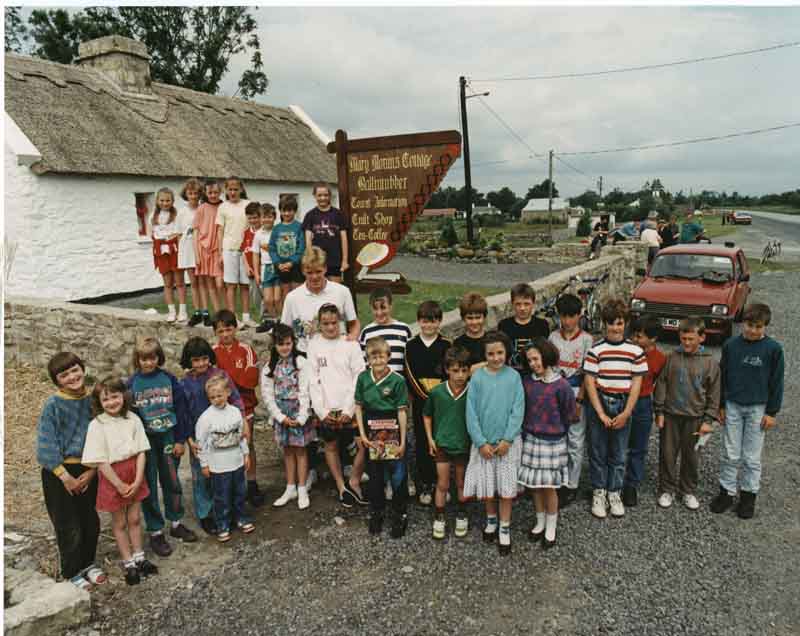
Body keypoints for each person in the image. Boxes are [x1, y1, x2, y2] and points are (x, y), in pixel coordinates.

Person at [36, 352, 105, 590]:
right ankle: (72, 570)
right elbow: (46, 445)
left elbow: (103, 436)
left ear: (82, 369)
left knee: (89, 520)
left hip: (88, 466)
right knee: (67, 524)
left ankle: (88, 563)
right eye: (64, 375)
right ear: (57, 381)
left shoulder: (94, 399)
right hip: (59, 472)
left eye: (75, 370)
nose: (72, 377)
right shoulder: (53, 405)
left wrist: (93, 471)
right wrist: (65, 477)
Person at [82, 376, 158, 585]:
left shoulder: (133, 419)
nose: (112, 402)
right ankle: (128, 562)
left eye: (115, 397)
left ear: (123, 396)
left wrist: (138, 478)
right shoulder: (97, 425)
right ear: (99, 402)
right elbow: (100, 460)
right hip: (113, 476)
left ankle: (139, 557)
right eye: (105, 399)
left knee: (134, 518)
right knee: (120, 522)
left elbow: (142, 451)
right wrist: (119, 484)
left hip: (134, 473)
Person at [711, 303, 784, 519]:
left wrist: (772, 412)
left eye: (758, 327)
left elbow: (777, 382)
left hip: (757, 408)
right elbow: (722, 376)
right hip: (733, 404)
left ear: (765, 326)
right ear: (743, 323)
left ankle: (748, 495)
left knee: (752, 456)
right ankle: (726, 492)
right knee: (731, 451)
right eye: (749, 325)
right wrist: (721, 405)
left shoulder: (773, 349)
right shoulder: (731, 345)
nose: (752, 330)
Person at [128, 337, 197, 557]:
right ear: (137, 360)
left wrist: (180, 440)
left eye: (152, 358)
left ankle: (176, 522)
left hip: (168, 437)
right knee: (147, 485)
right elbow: (129, 416)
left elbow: (182, 409)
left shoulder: (169, 380)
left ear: (159, 358)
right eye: (143, 359)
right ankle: (155, 530)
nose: (148, 363)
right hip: (146, 442)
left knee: (171, 480)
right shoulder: (131, 385)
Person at [583, 299, 647, 519]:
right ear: (604, 324)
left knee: (619, 452)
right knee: (597, 450)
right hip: (600, 402)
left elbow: (637, 383)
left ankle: (614, 492)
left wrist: (627, 412)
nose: (615, 328)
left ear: (625, 323)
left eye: (619, 323)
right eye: (611, 323)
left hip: (623, 403)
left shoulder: (635, 351)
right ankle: (598, 492)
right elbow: (590, 381)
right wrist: (600, 412)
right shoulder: (596, 350)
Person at [463, 330, 525, 555]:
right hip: (484, 445)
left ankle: (505, 527)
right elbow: (470, 412)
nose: (496, 357)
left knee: (506, 488)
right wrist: (480, 442)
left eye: (500, 352)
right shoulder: (477, 378)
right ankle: (491, 520)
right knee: (488, 486)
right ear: (485, 354)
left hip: (507, 445)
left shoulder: (514, 377)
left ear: (506, 352)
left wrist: (508, 439)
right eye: (491, 353)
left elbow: (518, 410)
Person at [179, 336, 245, 535]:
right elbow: (184, 414)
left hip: (225, 434)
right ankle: (206, 514)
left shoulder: (220, 376)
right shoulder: (185, 384)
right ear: (189, 361)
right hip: (200, 438)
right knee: (202, 475)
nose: (201, 364)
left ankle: (230, 511)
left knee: (228, 474)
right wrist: (190, 441)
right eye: (195, 360)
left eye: (204, 359)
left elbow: (237, 401)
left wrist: (244, 425)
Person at [654, 318, 719, 510]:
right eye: (683, 339)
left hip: (696, 418)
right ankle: (667, 489)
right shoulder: (672, 357)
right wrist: (659, 410)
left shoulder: (710, 362)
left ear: (702, 337)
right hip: (671, 415)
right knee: (667, 454)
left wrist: (709, 419)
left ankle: (688, 490)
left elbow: (715, 393)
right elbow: (662, 384)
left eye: (691, 339)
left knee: (691, 456)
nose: (687, 343)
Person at [307, 303, 367, 506]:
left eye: (334, 323)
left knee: (362, 445)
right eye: (326, 323)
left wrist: (349, 409)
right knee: (330, 446)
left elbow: (358, 376)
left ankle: (354, 480)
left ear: (340, 322)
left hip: (350, 406)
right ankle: (341, 487)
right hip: (326, 407)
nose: (331, 327)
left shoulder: (350, 343)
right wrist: (321, 411)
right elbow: (312, 380)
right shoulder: (314, 344)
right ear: (319, 324)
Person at [519, 339, 576, 548]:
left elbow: (569, 413)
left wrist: (558, 430)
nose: (533, 363)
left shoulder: (561, 385)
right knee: (535, 486)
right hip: (531, 439)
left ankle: (551, 525)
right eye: (529, 360)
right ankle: (540, 521)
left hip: (553, 441)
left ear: (547, 356)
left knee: (550, 487)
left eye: (536, 358)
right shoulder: (527, 382)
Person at [355, 336, 410, 537]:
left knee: (397, 475)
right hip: (371, 429)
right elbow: (359, 407)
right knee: (375, 476)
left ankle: (400, 513)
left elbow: (402, 412)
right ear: (368, 358)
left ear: (388, 357)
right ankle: (376, 512)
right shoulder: (363, 378)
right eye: (373, 357)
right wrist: (362, 434)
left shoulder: (397, 381)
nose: (378, 360)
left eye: (381, 356)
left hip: (392, 427)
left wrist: (403, 441)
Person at [212, 309, 264, 508]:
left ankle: (252, 483)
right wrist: (233, 380)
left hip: (245, 406)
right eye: (220, 331)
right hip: (222, 408)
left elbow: (251, 380)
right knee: (226, 446)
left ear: (235, 328)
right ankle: (233, 486)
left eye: (228, 329)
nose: (225, 334)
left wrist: (228, 380)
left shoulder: (246, 349)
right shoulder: (213, 351)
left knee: (247, 444)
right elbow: (212, 382)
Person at [261, 324, 315, 510]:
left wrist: (301, 417)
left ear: (293, 342)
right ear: (274, 345)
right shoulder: (269, 367)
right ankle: (290, 487)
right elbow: (267, 395)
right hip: (282, 415)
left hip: (299, 412)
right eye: (280, 344)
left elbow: (306, 391)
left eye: (288, 343)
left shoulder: (301, 363)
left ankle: (302, 488)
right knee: (288, 451)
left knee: (300, 450)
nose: (285, 347)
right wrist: (279, 417)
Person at [196, 375, 255, 543]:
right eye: (212, 397)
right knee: (221, 496)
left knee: (240, 492)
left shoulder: (235, 412)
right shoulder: (206, 418)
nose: (217, 399)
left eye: (219, 395)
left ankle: (242, 517)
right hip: (218, 465)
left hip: (236, 460)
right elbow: (201, 443)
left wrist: (245, 454)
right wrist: (204, 464)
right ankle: (222, 524)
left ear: (228, 392)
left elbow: (241, 436)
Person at [548, 294, 594, 508]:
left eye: (571, 316)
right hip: (556, 389)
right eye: (563, 316)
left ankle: (572, 484)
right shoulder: (553, 338)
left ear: (579, 316)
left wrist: (580, 400)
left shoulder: (586, 339)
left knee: (575, 440)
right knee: (557, 437)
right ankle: (557, 480)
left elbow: (587, 373)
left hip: (576, 390)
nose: (567, 321)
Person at [405, 300, 451, 506]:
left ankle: (442, 482)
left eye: (433, 321)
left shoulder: (447, 345)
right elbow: (409, 374)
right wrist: (426, 398)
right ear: (418, 321)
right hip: (421, 402)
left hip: (442, 403)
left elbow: (451, 373)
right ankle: (425, 482)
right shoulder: (411, 346)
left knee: (442, 441)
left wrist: (439, 397)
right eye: (425, 321)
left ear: (440, 322)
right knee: (423, 441)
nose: (429, 326)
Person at [424, 346, 472, 540]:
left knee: (461, 482)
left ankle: (462, 514)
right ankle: (440, 517)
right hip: (442, 444)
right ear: (446, 370)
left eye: (464, 370)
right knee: (442, 483)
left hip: (463, 444)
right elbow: (426, 415)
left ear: (469, 370)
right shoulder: (437, 392)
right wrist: (430, 439)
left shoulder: (473, 392)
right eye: (455, 370)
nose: (460, 375)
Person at [622, 315, 666, 507]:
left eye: (639, 336)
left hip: (642, 403)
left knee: (638, 446)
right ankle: (612, 482)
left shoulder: (660, 359)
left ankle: (631, 484)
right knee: (617, 443)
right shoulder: (627, 352)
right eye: (633, 335)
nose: (634, 339)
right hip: (622, 400)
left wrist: (659, 410)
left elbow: (659, 383)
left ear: (653, 338)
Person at [281, 246, 360, 353]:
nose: (314, 277)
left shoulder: (342, 292)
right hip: (305, 356)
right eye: (309, 272)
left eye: (318, 271)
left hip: (337, 353)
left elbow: (353, 323)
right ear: (303, 271)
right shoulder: (292, 298)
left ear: (325, 268)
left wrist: (352, 339)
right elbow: (284, 331)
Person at [216, 176, 255, 325]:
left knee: (245, 285)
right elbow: (220, 230)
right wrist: (220, 252)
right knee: (231, 285)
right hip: (229, 249)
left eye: (236, 189)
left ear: (241, 190)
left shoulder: (247, 204)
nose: (233, 192)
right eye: (230, 189)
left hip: (245, 249)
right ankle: (233, 319)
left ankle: (246, 317)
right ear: (226, 190)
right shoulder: (223, 207)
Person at [151, 187, 186, 322]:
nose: (165, 203)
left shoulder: (177, 216)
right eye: (162, 200)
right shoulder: (152, 216)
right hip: (161, 252)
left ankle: (182, 311)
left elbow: (180, 232)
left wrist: (171, 237)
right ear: (157, 201)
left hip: (174, 251)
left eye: (168, 200)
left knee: (180, 282)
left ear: (172, 201)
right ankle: (171, 311)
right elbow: (152, 234)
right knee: (167, 284)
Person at [302, 183, 350, 283]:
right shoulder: (310, 215)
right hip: (317, 261)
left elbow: (344, 238)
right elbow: (308, 240)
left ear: (330, 196)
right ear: (315, 196)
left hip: (335, 260)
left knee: (335, 291)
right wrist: (310, 259)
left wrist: (344, 261)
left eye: (325, 195)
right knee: (318, 290)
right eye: (319, 195)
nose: (323, 198)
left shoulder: (338, 214)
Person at [498, 283, 550, 375]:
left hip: (535, 374)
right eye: (518, 304)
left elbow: (545, 354)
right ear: (512, 304)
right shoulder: (504, 325)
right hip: (511, 373)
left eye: (526, 304)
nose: (522, 308)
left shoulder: (542, 325)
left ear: (533, 304)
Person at [358, 287, 412, 375]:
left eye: (383, 308)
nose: (379, 312)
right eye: (375, 308)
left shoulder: (404, 330)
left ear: (390, 306)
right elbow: (363, 364)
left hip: (399, 385)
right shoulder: (366, 332)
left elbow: (409, 362)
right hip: (376, 385)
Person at [193, 179, 225, 324]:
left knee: (220, 283)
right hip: (204, 249)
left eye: (216, 192)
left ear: (220, 192)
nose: (213, 195)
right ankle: (217, 315)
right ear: (205, 193)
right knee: (209, 284)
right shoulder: (202, 208)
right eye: (210, 192)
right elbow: (195, 232)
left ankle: (227, 313)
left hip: (218, 249)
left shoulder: (224, 207)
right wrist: (197, 254)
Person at [269, 194, 306, 301]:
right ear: (280, 211)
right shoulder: (276, 228)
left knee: (297, 292)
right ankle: (288, 316)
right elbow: (271, 248)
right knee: (286, 293)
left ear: (295, 211)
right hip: (281, 266)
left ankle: (299, 316)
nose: (286, 213)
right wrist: (278, 263)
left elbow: (301, 247)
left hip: (296, 266)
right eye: (284, 211)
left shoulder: (299, 227)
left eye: (290, 211)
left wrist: (292, 262)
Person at [177, 178, 202, 326]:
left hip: (200, 248)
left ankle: (205, 311)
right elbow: (180, 233)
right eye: (190, 193)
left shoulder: (202, 209)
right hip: (187, 248)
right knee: (193, 282)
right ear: (186, 194)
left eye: (196, 193)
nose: (193, 196)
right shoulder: (182, 212)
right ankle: (197, 311)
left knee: (203, 283)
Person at [252, 203, 280, 333]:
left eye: (270, 217)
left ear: (274, 217)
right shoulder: (258, 234)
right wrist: (257, 274)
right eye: (264, 217)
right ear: (260, 218)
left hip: (278, 267)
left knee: (277, 298)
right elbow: (256, 255)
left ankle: (280, 320)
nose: (267, 220)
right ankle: (273, 321)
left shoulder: (278, 231)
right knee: (268, 299)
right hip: (266, 268)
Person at [453, 291, 488, 373]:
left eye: (478, 317)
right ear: (463, 318)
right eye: (470, 318)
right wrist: (488, 364)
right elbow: (460, 372)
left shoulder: (493, 339)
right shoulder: (458, 344)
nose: (474, 322)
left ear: (484, 317)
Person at [241, 202, 262, 324]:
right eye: (250, 218)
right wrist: (247, 266)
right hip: (252, 273)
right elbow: (244, 251)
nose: (253, 220)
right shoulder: (246, 233)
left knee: (267, 296)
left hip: (263, 270)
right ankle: (262, 317)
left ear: (260, 217)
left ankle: (268, 319)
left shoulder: (265, 232)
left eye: (255, 217)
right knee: (256, 297)